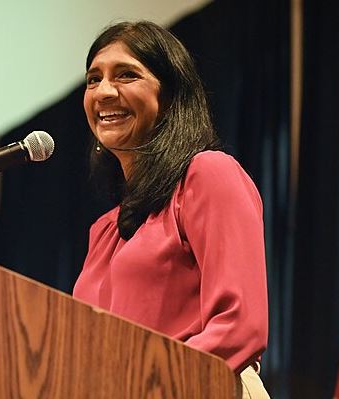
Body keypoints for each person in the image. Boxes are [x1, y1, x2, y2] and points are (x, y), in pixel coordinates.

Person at [72, 21, 270, 398]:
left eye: (126, 75)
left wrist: (147, 386)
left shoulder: (208, 174)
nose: (104, 92)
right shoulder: (104, 230)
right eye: (93, 79)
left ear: (171, 96)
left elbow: (240, 323)